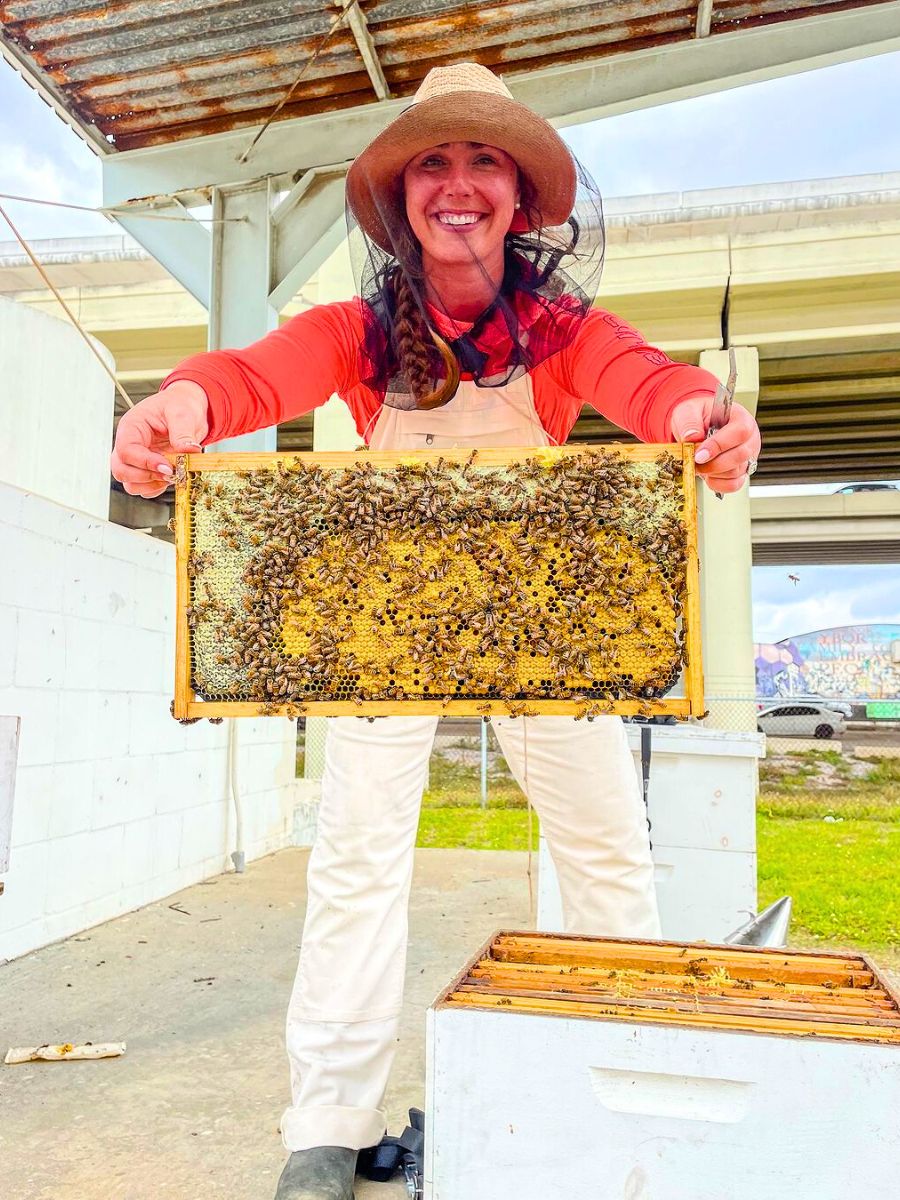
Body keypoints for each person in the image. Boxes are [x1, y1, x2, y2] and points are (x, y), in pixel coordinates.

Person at [111, 63, 760, 1200]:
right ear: (403, 192)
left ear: (520, 194)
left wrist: (700, 416)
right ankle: (326, 1128)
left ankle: (625, 1081)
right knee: (359, 860)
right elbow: (260, 374)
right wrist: (184, 405)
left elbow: (644, 381)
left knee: (606, 850)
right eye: (433, 162)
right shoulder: (360, 331)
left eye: (483, 161)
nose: (457, 183)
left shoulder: (560, 329)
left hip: (545, 622)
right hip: (385, 620)